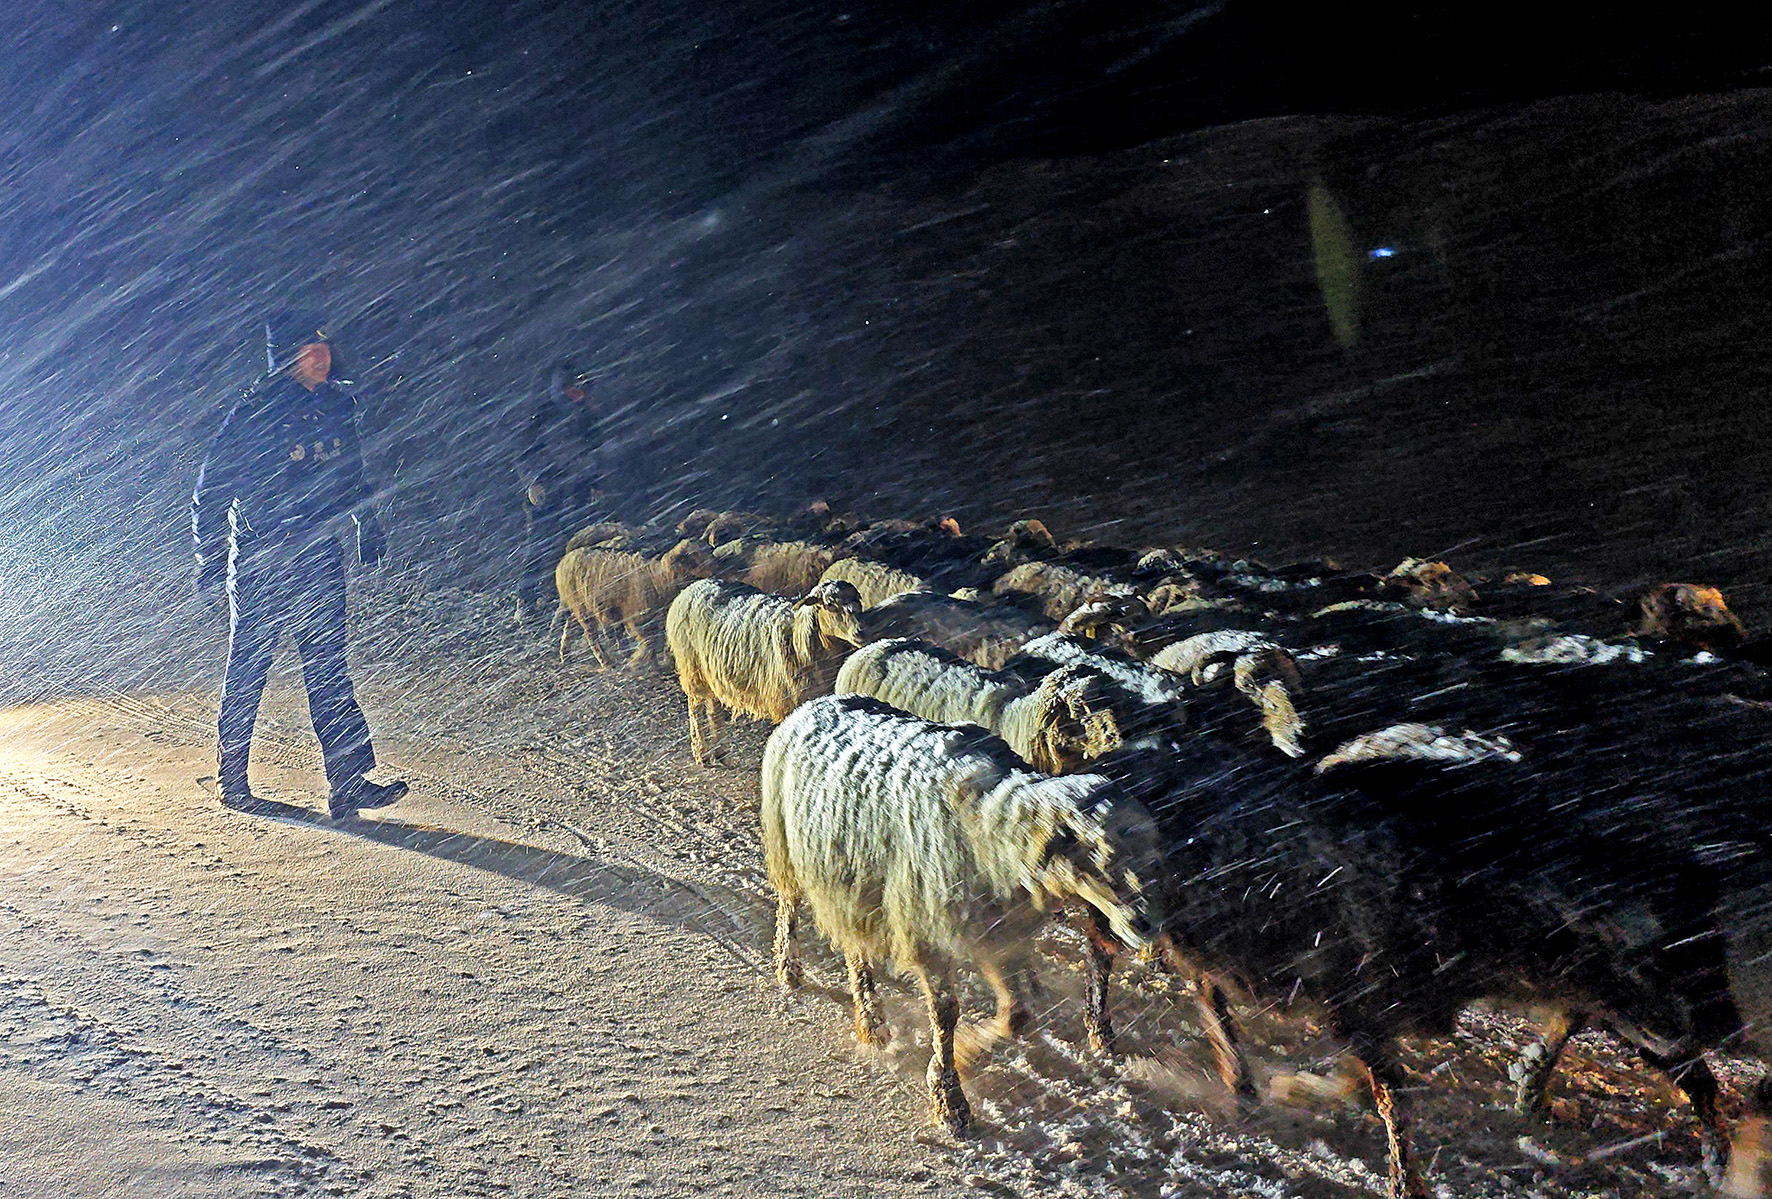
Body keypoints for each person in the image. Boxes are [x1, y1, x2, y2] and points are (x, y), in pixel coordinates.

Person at [191, 313, 408, 819]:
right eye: (312, 348)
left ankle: (348, 782)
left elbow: (349, 473)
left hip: (317, 551)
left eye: (325, 346)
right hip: (263, 555)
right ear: (288, 358)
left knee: (329, 666)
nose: (323, 355)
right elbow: (212, 487)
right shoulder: (254, 412)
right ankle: (232, 777)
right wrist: (211, 555)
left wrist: (365, 521)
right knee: (250, 667)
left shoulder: (335, 405)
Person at [513, 359, 609, 624]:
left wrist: (595, 483)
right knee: (539, 544)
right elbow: (523, 451)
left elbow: (594, 449)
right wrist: (532, 482)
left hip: (577, 488)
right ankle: (526, 600)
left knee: (577, 544)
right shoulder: (541, 414)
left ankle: (572, 601)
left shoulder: (586, 414)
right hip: (547, 489)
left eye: (581, 386)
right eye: (572, 387)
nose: (578, 392)